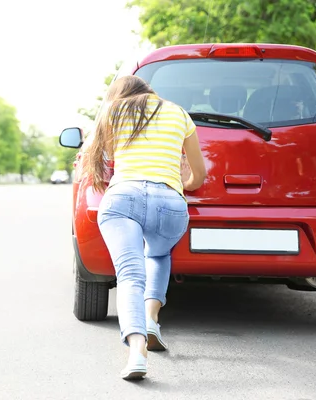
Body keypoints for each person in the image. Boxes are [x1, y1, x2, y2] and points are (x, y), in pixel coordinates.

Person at [85, 75, 206, 380]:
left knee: (129, 274)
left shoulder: (114, 111)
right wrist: (184, 182)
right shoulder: (179, 113)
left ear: (120, 94)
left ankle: (137, 350)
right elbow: (199, 175)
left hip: (123, 197)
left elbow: (104, 155)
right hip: (170, 202)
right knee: (159, 254)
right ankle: (152, 318)